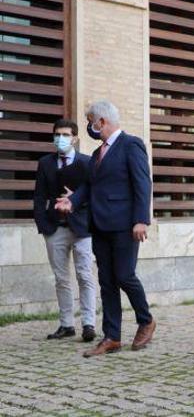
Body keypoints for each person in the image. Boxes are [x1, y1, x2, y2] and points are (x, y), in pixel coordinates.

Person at [55, 100, 156, 358]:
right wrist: (72, 201)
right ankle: (112, 337)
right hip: (99, 225)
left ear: (102, 122)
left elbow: (142, 183)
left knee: (124, 275)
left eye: (90, 121)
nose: (89, 125)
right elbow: (89, 187)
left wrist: (141, 219)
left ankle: (146, 320)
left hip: (125, 225)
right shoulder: (99, 153)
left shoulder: (131, 144)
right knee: (107, 281)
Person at [33, 119, 97, 343]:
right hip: (54, 228)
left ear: (75, 138)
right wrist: (42, 225)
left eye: (65, 134)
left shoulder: (88, 162)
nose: (60, 138)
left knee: (85, 275)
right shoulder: (45, 163)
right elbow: (39, 196)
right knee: (61, 279)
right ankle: (66, 324)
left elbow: (95, 195)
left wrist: (76, 199)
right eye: (57, 134)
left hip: (82, 228)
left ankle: (89, 324)